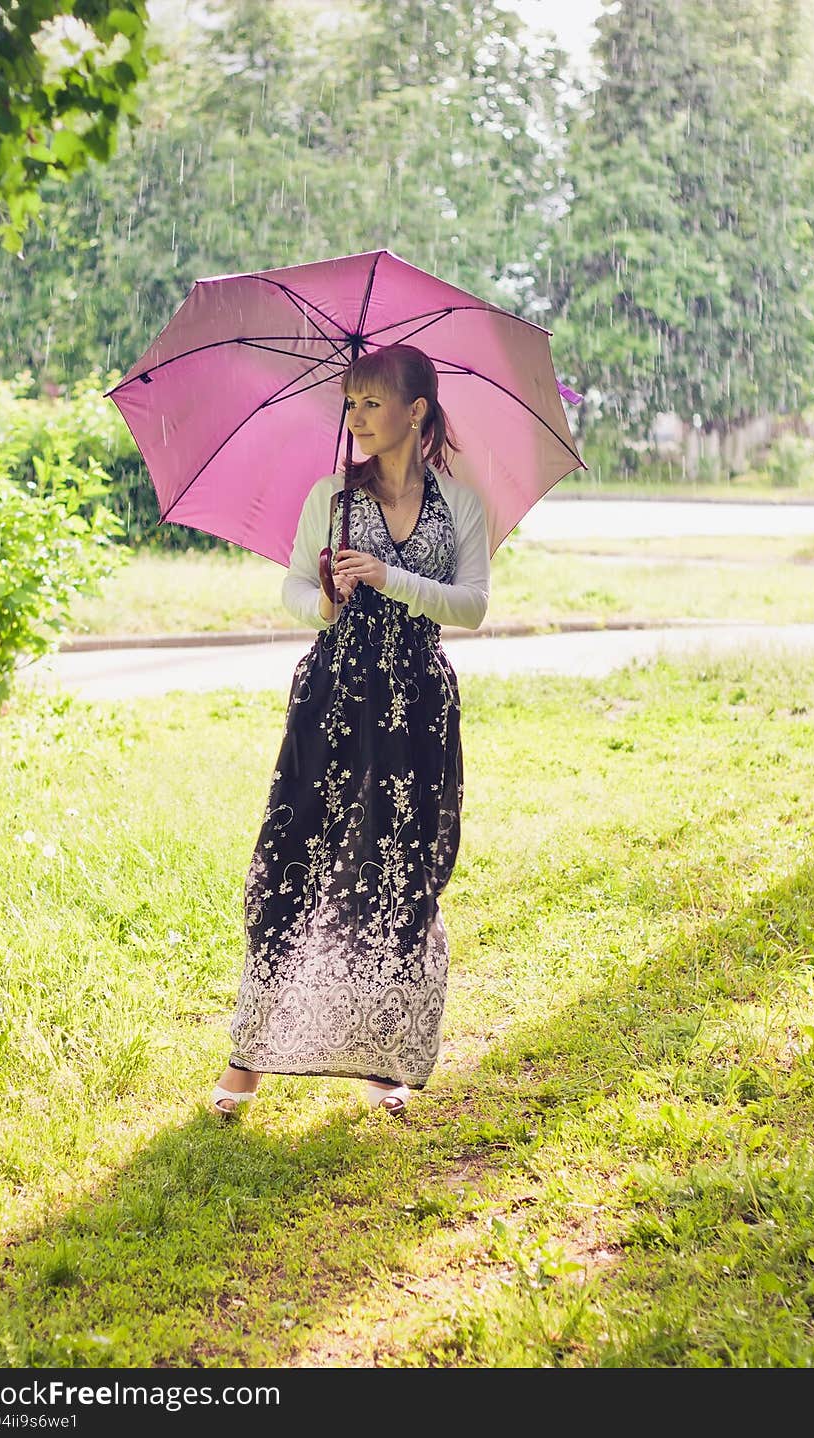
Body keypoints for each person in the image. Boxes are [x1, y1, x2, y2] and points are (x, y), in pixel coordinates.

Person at [210, 343, 490, 1117]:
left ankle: (381, 1060)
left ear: (416, 411)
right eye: (351, 402)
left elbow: (472, 606)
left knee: (401, 872)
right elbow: (294, 590)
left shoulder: (459, 504)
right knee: (292, 858)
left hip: (417, 706)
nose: (357, 416)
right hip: (333, 696)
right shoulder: (330, 497)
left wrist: (390, 576)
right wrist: (328, 598)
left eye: (372, 402)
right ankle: (248, 1060)